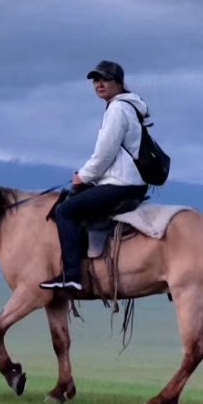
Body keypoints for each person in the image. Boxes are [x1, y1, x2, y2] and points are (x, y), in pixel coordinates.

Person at [40, 60, 150, 293]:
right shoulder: (125, 107)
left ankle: (71, 276)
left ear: (119, 83)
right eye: (95, 80)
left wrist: (84, 176)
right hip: (127, 182)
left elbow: (105, 153)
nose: (99, 84)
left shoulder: (118, 109)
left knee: (64, 211)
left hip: (121, 184)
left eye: (105, 79)